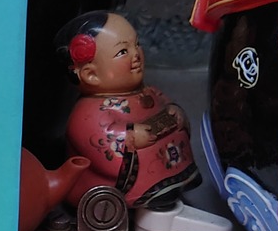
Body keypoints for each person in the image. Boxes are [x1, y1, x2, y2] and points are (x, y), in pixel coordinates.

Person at [55, 11, 199, 209]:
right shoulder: (86, 114)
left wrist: (175, 111)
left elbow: (164, 103)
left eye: (137, 44)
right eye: (123, 51)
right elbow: (103, 144)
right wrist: (130, 135)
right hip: (107, 186)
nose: (136, 54)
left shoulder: (147, 90)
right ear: (91, 75)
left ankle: (175, 181)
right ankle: (149, 192)